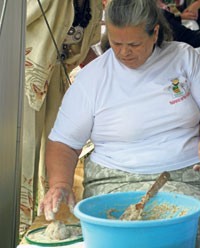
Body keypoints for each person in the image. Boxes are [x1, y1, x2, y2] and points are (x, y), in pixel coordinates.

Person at [39, 0, 200, 247]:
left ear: (155, 33)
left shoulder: (183, 57)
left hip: (197, 177)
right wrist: (60, 184)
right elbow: (64, 143)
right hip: (120, 182)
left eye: (134, 44)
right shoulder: (93, 78)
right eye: (116, 43)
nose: (124, 52)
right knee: (144, 233)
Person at [21, 0, 102, 234]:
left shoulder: (94, 4)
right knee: (19, 159)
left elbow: (83, 49)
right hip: (19, 78)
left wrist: (114, 73)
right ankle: (14, 231)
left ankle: (41, 227)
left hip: (55, 79)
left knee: (55, 157)